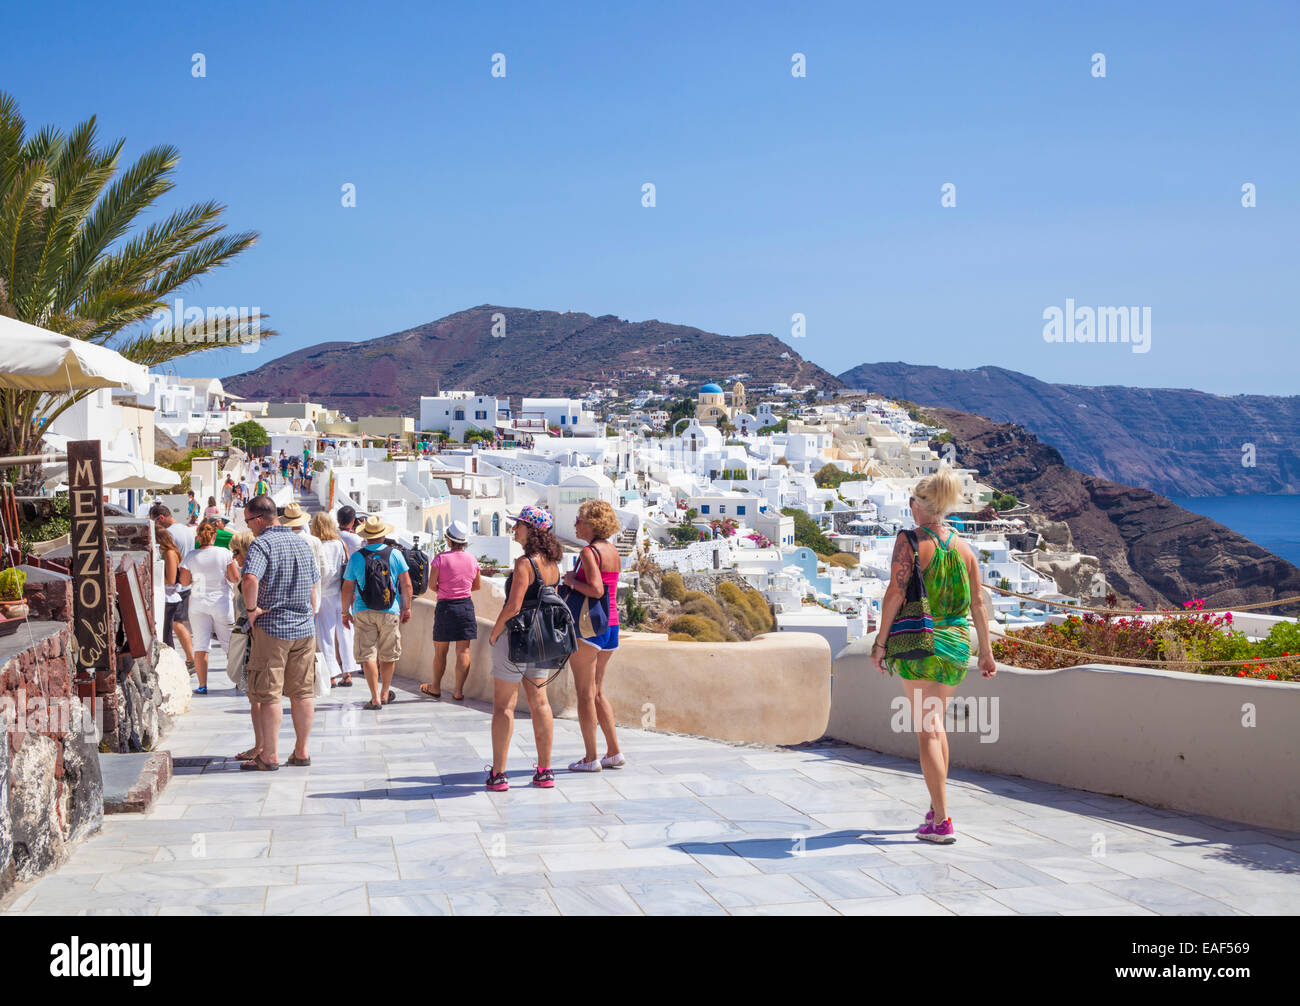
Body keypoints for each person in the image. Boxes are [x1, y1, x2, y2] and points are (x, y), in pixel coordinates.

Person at [871, 468, 997, 844]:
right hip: (958, 645)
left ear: (919, 506)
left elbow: (894, 595)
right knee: (937, 726)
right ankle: (934, 807)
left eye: (911, 501)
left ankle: (941, 821)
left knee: (926, 730)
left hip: (922, 645)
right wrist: (986, 653)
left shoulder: (910, 542)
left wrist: (880, 644)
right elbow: (978, 604)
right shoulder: (964, 548)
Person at [240, 493, 320, 771]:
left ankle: (270, 755)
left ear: (260, 519)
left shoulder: (261, 545)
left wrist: (251, 610)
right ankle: (301, 751)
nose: (248, 526)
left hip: (273, 627)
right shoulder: (301, 543)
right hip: (304, 627)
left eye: (249, 521)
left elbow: (250, 578)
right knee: (302, 692)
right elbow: (313, 586)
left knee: (268, 693)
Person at [485, 505, 560, 792]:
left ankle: (499, 774)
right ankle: (544, 770)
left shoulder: (524, 563)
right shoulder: (553, 564)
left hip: (516, 638)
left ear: (532, 530)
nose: (514, 529)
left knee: (504, 706)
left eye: (519, 525)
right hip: (541, 640)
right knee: (541, 703)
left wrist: (494, 633)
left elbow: (514, 606)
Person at [561, 499, 625, 772]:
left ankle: (591, 758)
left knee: (584, 694)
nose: (575, 524)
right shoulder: (613, 551)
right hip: (610, 626)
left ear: (591, 524)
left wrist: (570, 581)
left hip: (589, 628)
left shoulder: (589, 552)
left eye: (579, 519)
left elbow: (596, 590)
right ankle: (613, 752)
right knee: (598, 692)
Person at [342, 516, 412, 710]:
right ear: (382, 535)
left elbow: (347, 588)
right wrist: (406, 608)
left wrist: (344, 613)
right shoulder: (395, 555)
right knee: (388, 655)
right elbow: (406, 584)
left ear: (366, 536)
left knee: (368, 655)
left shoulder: (357, 557)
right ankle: (385, 692)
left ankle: (374, 698)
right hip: (390, 610)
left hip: (363, 611)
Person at [420, 520, 480, 701]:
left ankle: (435, 687)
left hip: (446, 607)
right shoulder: (472, 560)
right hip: (465, 606)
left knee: (440, 652)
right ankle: (458, 691)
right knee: (464, 651)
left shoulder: (440, 559)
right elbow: (476, 586)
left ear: (448, 540)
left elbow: (431, 585)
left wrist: (445, 591)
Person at [179, 519, 237, 694]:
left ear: (198, 536)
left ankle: (202, 685)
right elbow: (234, 578)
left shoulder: (190, 556)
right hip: (222, 602)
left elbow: (184, 581)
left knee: (201, 644)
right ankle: (239, 681)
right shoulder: (224, 553)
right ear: (214, 535)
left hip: (198, 603)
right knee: (230, 643)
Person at [227, 530, 263, 761]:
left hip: (253, 640)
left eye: (236, 552)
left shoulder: (250, 577)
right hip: (255, 639)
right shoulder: (250, 574)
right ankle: (260, 745)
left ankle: (261, 747)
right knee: (257, 697)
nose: (234, 557)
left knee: (257, 697)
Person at [311, 511, 351, 686]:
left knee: (325, 634)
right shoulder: (339, 543)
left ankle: (332, 674)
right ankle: (348, 671)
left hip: (324, 593)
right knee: (345, 632)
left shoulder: (317, 545)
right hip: (340, 592)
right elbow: (347, 563)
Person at [157, 528, 196, 673]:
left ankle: (179, 663)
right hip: (169, 596)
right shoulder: (169, 553)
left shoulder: (169, 553)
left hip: (170, 597)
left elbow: (171, 580)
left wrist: (155, 574)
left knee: (170, 631)